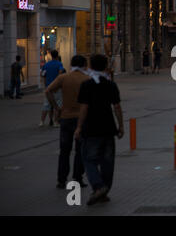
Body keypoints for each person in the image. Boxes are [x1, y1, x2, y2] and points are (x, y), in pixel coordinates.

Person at [75, 54, 124, 205]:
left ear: (90, 66)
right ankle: (104, 192)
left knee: (89, 159)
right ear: (105, 67)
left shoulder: (87, 85)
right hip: (108, 128)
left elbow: (84, 108)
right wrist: (121, 125)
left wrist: (79, 127)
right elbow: (117, 107)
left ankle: (98, 187)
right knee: (108, 162)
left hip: (91, 128)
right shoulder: (111, 85)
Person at [46, 55, 90, 189]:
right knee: (80, 150)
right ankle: (77, 178)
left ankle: (61, 179)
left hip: (65, 117)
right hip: (81, 119)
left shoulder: (63, 78)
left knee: (64, 151)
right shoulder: (87, 79)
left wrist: (57, 108)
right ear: (84, 65)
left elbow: (48, 91)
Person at [40, 50, 64, 127]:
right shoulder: (59, 64)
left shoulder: (46, 65)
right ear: (57, 56)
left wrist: (45, 86)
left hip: (48, 87)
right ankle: (55, 122)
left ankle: (42, 122)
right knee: (58, 104)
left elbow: (42, 74)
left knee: (46, 104)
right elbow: (60, 73)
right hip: (56, 87)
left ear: (51, 56)